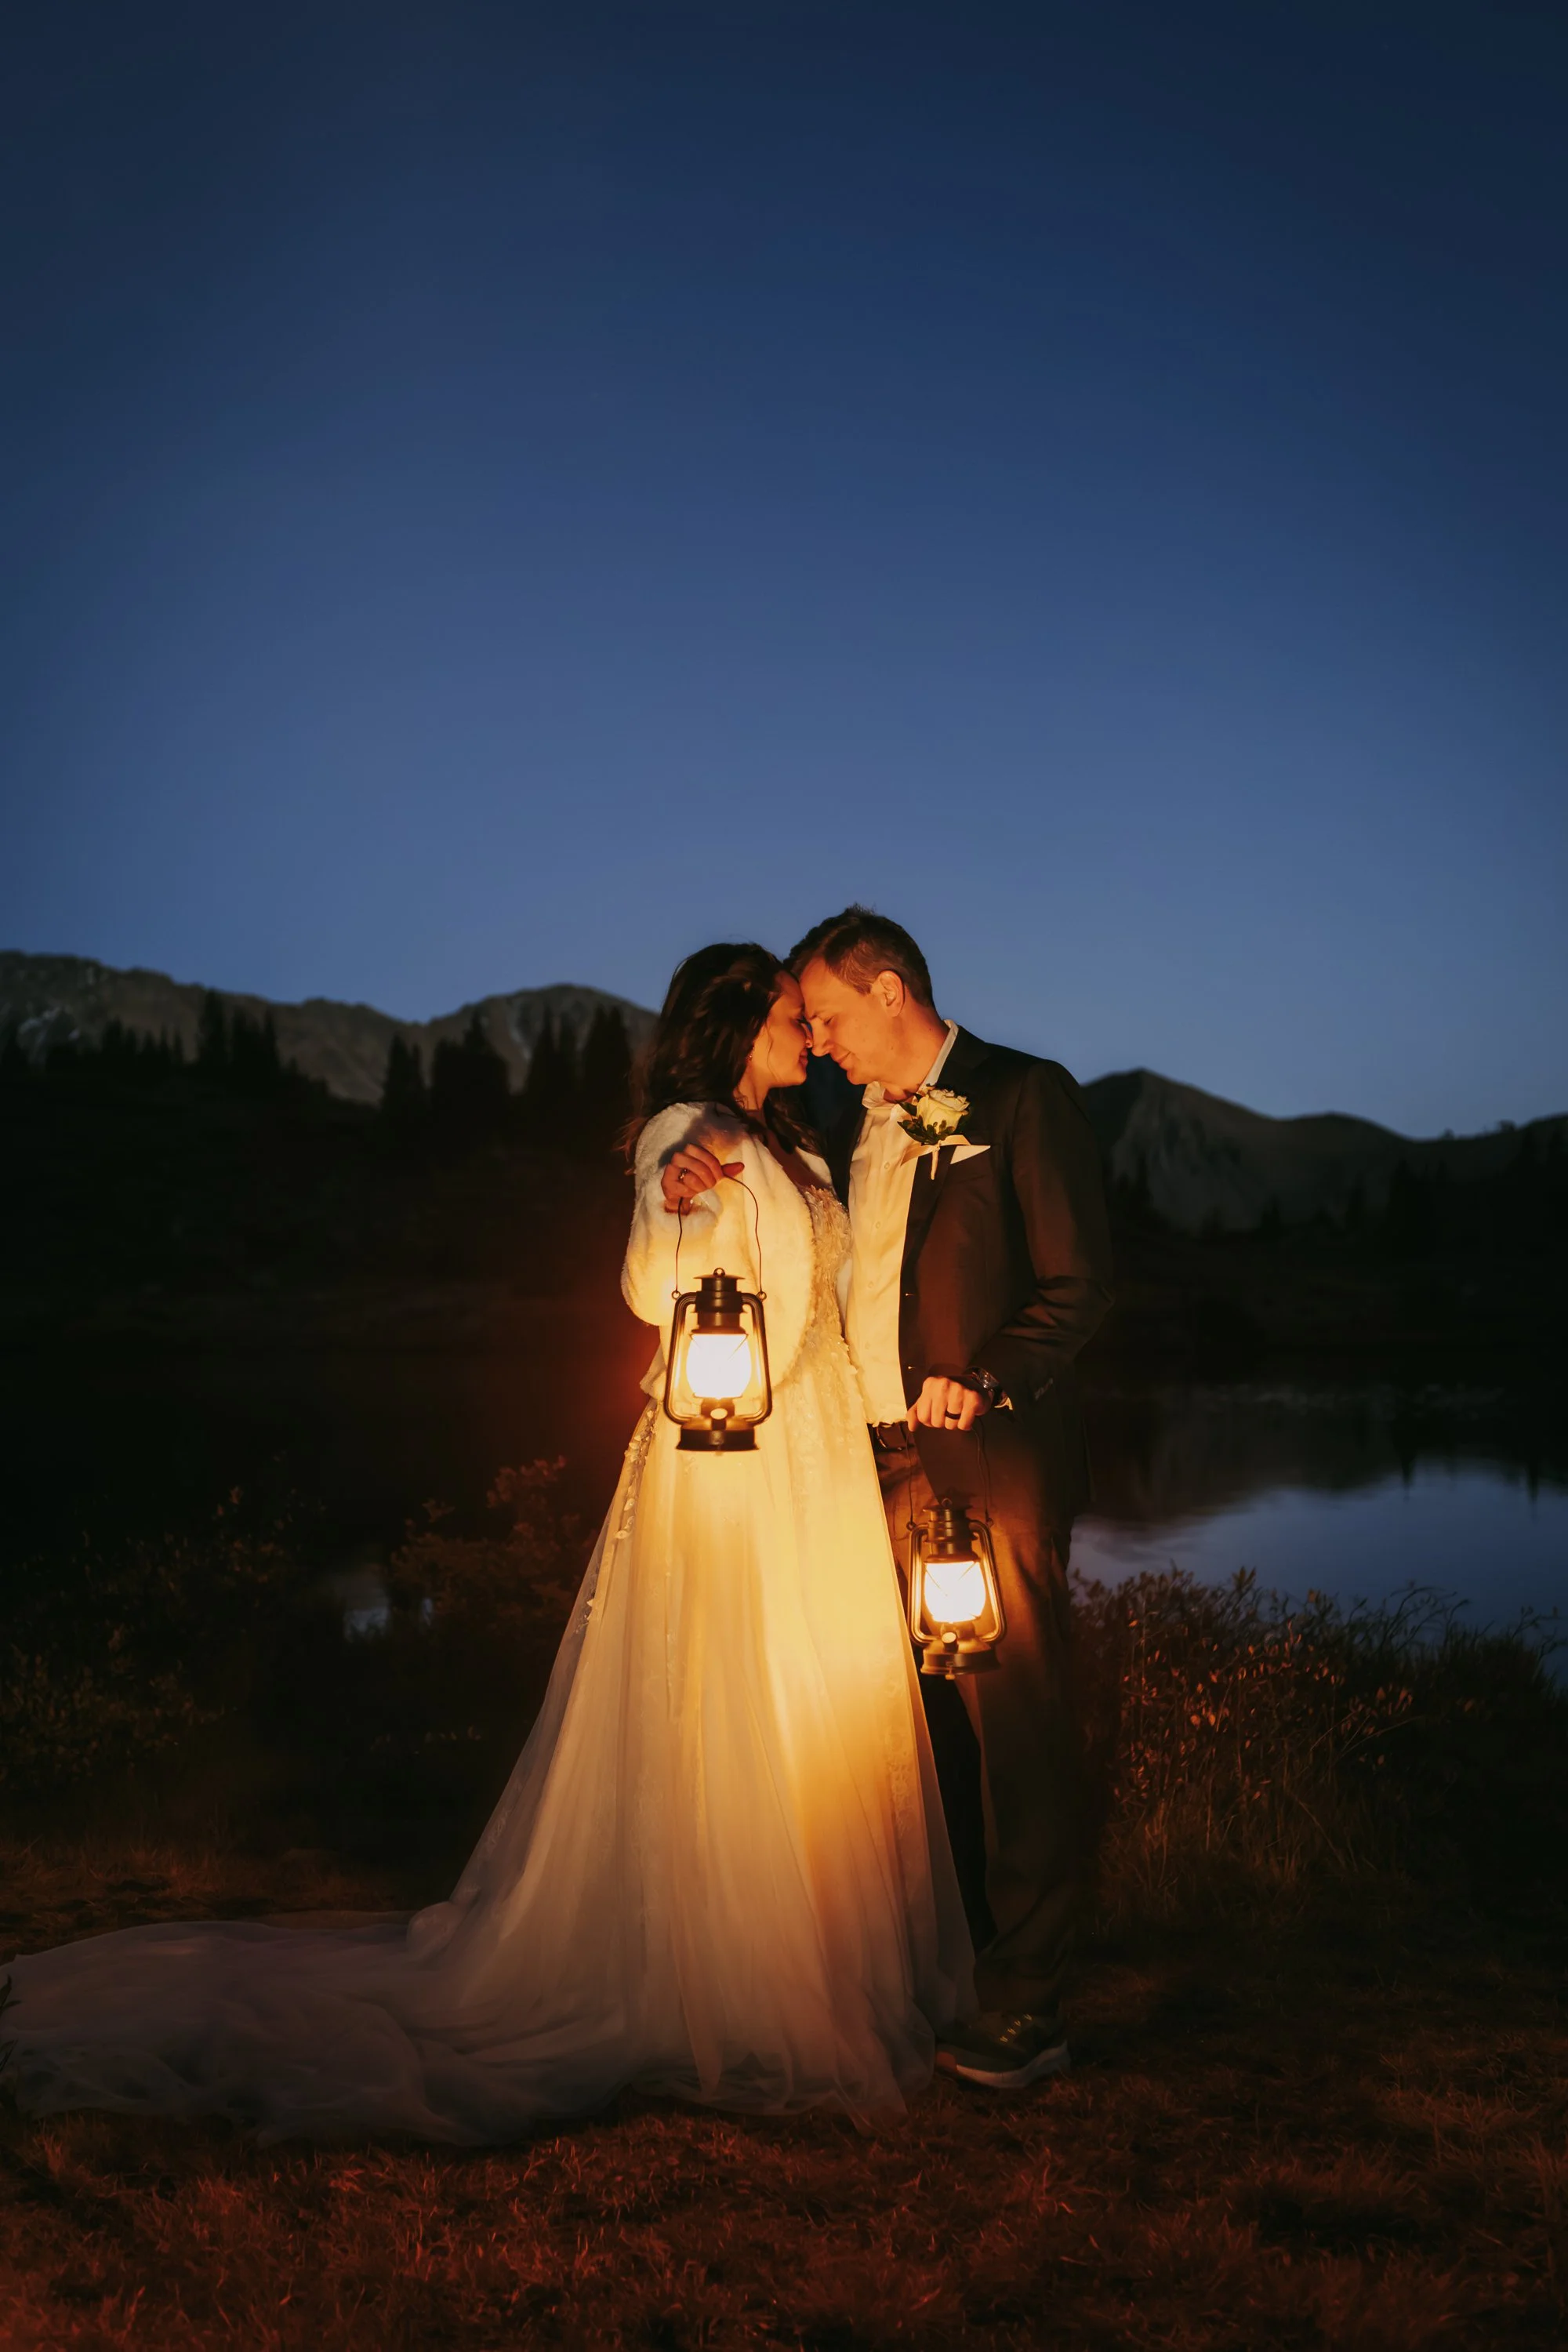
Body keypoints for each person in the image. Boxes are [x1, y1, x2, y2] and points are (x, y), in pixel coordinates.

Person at [2, 944, 971, 2142]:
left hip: (813, 1447)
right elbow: (646, 1285)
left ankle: (822, 1957)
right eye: (789, 1016)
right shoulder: (692, 1127)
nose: (807, 1036)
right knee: (733, 1699)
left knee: (814, 1702)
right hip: (734, 1458)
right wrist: (672, 1198)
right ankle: (730, 1984)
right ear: (735, 1024)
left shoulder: (795, 1139)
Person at [794, 907, 1113, 2091]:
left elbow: (1080, 1286)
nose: (819, 1041)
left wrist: (984, 1380)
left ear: (889, 993)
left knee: (1012, 1723)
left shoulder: (1024, 1098)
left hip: (986, 1466)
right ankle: (950, 1966)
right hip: (862, 1465)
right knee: (913, 1736)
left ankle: (1032, 2003)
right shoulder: (846, 1126)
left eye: (827, 1016)